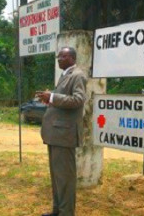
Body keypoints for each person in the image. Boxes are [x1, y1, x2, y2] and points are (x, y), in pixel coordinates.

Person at [36, 47, 88, 216]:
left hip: (64, 135)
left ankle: (66, 212)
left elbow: (78, 100)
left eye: (63, 56)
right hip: (55, 135)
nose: (59, 59)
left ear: (72, 58)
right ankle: (57, 210)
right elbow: (63, 102)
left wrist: (52, 97)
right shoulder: (65, 75)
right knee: (57, 176)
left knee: (65, 178)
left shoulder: (77, 75)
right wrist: (49, 100)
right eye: (58, 56)